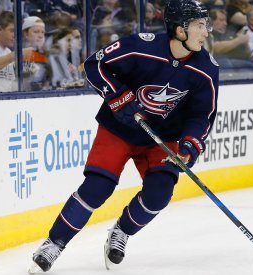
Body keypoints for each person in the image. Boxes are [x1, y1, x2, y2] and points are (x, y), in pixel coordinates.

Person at [28, 0, 219, 273]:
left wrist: (190, 145)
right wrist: (118, 98)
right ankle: (54, 242)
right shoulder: (142, 46)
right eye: (200, 26)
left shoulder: (206, 68)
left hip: (162, 138)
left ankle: (122, 231)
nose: (206, 32)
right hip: (118, 129)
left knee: (159, 195)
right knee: (96, 188)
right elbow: (95, 65)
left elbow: (203, 114)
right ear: (179, 30)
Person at [22, 16, 51, 91]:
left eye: (43, 32)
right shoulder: (15, 52)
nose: (41, 36)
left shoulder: (46, 54)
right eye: (36, 32)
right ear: (26, 34)